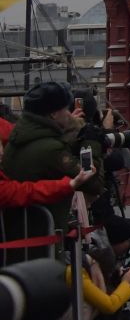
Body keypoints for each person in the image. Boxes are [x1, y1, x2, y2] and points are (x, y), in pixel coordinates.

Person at [2, 82, 104, 233]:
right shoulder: (50, 149)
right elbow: (93, 183)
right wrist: (92, 144)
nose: (69, 113)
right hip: (42, 239)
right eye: (65, 109)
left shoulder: (18, 137)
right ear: (53, 114)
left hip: (21, 233)